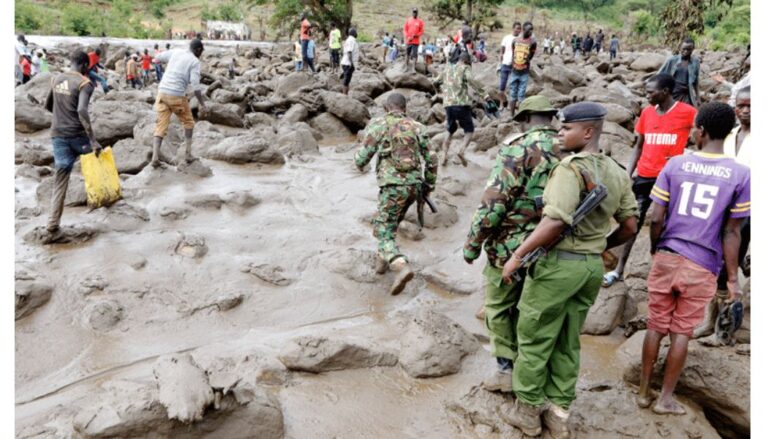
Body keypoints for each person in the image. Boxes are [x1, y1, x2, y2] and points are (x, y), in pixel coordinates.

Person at [498, 102, 638, 438]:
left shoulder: (569, 169)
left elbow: (554, 221)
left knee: (534, 337)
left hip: (558, 266)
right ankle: (560, 413)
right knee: (569, 338)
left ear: (588, 132)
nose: (559, 132)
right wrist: (601, 246)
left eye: (566, 128)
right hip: (590, 268)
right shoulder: (616, 171)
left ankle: (529, 413)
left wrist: (517, 255)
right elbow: (631, 226)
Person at [637, 102, 749, 415]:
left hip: (669, 254)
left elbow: (656, 217)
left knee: (656, 326)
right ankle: (665, 400)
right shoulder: (740, 174)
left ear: (699, 130)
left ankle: (644, 392)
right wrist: (731, 280)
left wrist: (655, 249)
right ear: (729, 133)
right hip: (703, 265)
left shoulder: (674, 165)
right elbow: (732, 233)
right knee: (682, 332)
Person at [464, 96, 561, 393]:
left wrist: (472, 244)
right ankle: (533, 369)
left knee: (498, 306)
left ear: (525, 118)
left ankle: (506, 369)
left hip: (510, 246)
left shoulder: (518, 147)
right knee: (533, 309)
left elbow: (494, 202)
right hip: (554, 245)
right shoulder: (568, 147)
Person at [602, 74, 697, 288]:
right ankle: (619, 270)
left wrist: (690, 156)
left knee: (669, 225)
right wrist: (628, 174)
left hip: (673, 179)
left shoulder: (688, 113)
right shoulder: (646, 113)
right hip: (644, 176)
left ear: (665, 92)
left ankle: (665, 270)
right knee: (631, 224)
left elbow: (703, 134)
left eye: (650, 91)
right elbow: (638, 145)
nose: (646, 95)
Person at [354, 92, 438, 296]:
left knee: (382, 228)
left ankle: (400, 265)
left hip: (392, 186)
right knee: (390, 225)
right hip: (414, 187)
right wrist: (429, 184)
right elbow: (432, 158)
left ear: (386, 108)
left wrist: (359, 160)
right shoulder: (417, 127)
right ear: (405, 108)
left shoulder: (380, 125)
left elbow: (361, 159)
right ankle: (380, 266)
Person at [694, 86, 752, 339]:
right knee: (716, 266)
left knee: (735, 266)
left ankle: (725, 327)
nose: (746, 110)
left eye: (751, 105)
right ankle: (711, 321)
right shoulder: (729, 136)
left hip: (748, 212)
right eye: (741, 105)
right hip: (722, 207)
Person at [41, 50, 103, 243]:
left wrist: (62, 115)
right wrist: (93, 140)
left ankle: (52, 226)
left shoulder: (56, 79)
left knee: (61, 177)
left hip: (58, 135)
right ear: (85, 66)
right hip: (78, 137)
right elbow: (82, 110)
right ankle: (106, 199)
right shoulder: (85, 83)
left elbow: (48, 106)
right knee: (98, 158)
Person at [150, 38, 209, 167]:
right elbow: (195, 85)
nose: (201, 54)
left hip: (162, 92)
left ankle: (155, 158)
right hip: (176, 94)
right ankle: (188, 154)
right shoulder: (194, 61)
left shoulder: (176, 52)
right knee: (188, 122)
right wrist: (202, 104)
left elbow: (158, 57)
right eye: (201, 52)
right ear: (198, 50)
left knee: (160, 126)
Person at [434, 51, 487, 167]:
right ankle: (461, 151)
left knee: (450, 129)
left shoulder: (448, 68)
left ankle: (444, 154)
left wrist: (438, 92)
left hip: (448, 105)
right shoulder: (465, 68)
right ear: (466, 61)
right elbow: (470, 80)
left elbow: (436, 81)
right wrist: (484, 94)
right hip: (461, 104)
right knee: (469, 130)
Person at [658, 38, 700, 107]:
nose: (686, 51)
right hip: (673, 93)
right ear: (680, 48)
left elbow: (696, 81)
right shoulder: (672, 60)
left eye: (688, 49)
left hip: (687, 93)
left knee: (687, 113)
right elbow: (660, 75)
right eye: (683, 49)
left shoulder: (695, 62)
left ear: (693, 49)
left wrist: (698, 98)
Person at [508, 22, 537, 115]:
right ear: (524, 30)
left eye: (532, 30)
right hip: (514, 70)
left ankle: (520, 114)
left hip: (524, 71)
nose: (531, 32)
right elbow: (513, 53)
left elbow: (531, 55)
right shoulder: (515, 40)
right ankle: (511, 114)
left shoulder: (533, 42)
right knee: (512, 93)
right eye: (529, 30)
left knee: (521, 94)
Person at [498, 22, 522, 110]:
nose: (518, 30)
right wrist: (500, 60)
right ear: (513, 28)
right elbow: (502, 50)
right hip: (505, 63)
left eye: (520, 28)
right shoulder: (506, 38)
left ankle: (509, 105)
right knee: (501, 87)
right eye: (517, 28)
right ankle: (501, 103)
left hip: (515, 65)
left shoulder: (521, 39)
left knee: (512, 86)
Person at [340, 27, 359, 95]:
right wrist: (351, 63)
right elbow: (349, 52)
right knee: (346, 80)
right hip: (348, 63)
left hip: (346, 62)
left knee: (347, 80)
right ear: (353, 33)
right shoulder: (351, 40)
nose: (357, 33)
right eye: (356, 32)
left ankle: (345, 94)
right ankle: (344, 95)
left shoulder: (349, 40)